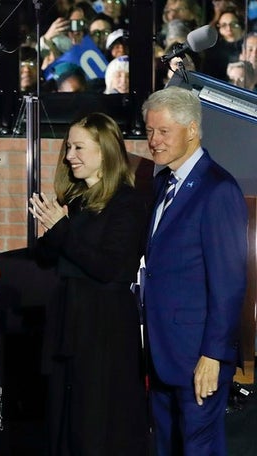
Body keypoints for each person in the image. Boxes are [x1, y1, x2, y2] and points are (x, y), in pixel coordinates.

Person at [28, 112, 148, 455]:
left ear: (105, 151)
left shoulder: (127, 203)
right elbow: (46, 257)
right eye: (69, 147)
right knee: (66, 419)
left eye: (78, 147)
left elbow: (110, 267)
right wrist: (54, 227)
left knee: (96, 421)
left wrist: (60, 229)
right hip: (70, 322)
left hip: (104, 329)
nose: (69, 155)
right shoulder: (78, 200)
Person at [142, 86, 247, 455]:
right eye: (150, 131)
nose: (153, 141)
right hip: (161, 355)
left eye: (163, 131)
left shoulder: (218, 190)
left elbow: (229, 284)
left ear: (192, 130)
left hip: (198, 358)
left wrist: (213, 355)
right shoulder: (161, 185)